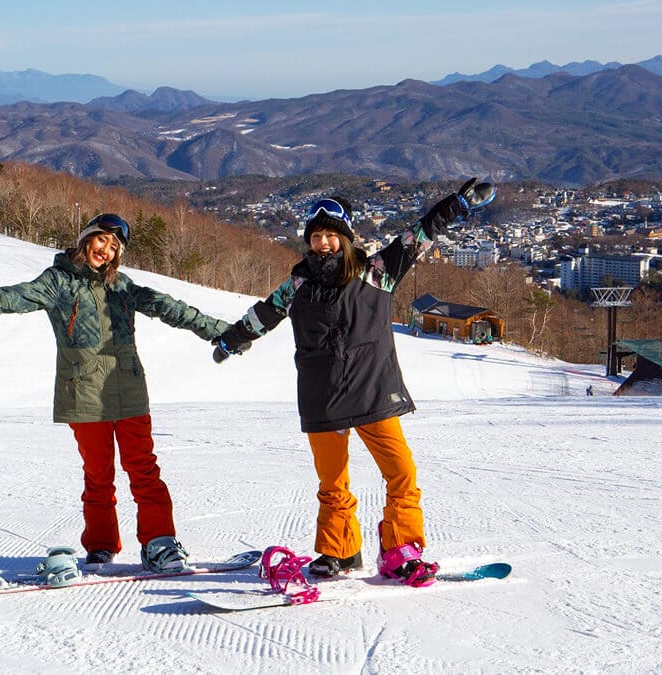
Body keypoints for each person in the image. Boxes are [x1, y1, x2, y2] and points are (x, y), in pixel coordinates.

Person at [212, 179, 495, 586]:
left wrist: (459, 203)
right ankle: (339, 551)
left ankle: (400, 550)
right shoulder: (298, 285)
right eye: (316, 236)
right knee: (332, 482)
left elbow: (420, 233)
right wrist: (230, 341)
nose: (323, 243)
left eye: (331, 235)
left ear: (346, 239)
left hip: (372, 389)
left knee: (401, 473)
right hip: (321, 395)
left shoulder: (376, 273)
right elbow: (263, 315)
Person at [0, 213, 229, 573]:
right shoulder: (59, 283)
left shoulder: (123, 287)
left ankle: (159, 542)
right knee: (98, 475)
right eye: (102, 241)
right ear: (87, 239)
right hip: (83, 392)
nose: (107, 250)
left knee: (144, 470)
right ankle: (100, 545)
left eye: (115, 247)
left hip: (128, 389)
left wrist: (223, 332)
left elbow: (170, 308)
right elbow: (11, 297)